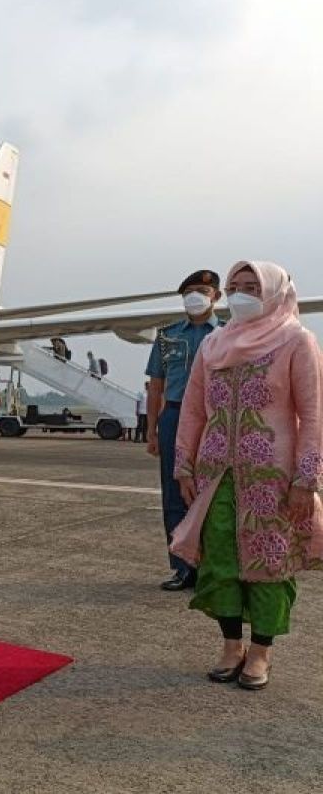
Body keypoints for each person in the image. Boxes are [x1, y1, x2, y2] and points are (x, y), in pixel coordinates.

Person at [169, 261, 322, 690]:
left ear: (274, 290)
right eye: (234, 286)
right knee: (220, 561)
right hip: (216, 475)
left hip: (274, 477)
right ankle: (231, 646)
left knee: (269, 563)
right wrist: (184, 464)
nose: (241, 293)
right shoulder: (214, 344)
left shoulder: (297, 341)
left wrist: (306, 479)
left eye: (252, 286)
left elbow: (312, 416)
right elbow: (194, 411)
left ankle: (261, 653)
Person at [146, 269, 224, 591]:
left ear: (216, 296)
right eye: (189, 291)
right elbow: (156, 386)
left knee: (214, 494)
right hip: (175, 417)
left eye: (202, 290)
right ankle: (182, 568)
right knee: (175, 494)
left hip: (214, 419)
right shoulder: (166, 336)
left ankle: (214, 569)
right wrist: (151, 430)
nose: (194, 296)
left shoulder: (229, 333)